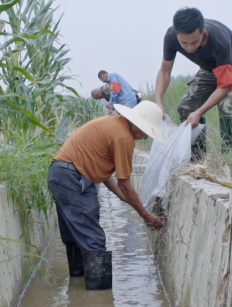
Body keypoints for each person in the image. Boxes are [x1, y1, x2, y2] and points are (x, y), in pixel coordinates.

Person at [47, 101, 167, 290]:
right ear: (137, 124)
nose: (144, 137)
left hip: (60, 174)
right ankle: (99, 303)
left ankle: (78, 285)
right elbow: (125, 184)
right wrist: (144, 215)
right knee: (93, 240)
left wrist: (126, 200)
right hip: (73, 178)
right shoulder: (123, 137)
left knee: (74, 234)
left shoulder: (113, 124)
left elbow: (105, 176)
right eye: (146, 131)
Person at [154, 7, 232, 159]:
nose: (189, 47)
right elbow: (165, 71)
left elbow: (225, 85)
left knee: (226, 105)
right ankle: (198, 159)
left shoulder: (218, 40)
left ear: (203, 31)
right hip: (210, 69)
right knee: (186, 107)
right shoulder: (170, 37)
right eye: (184, 43)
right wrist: (158, 102)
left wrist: (200, 112)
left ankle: (230, 157)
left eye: (195, 42)